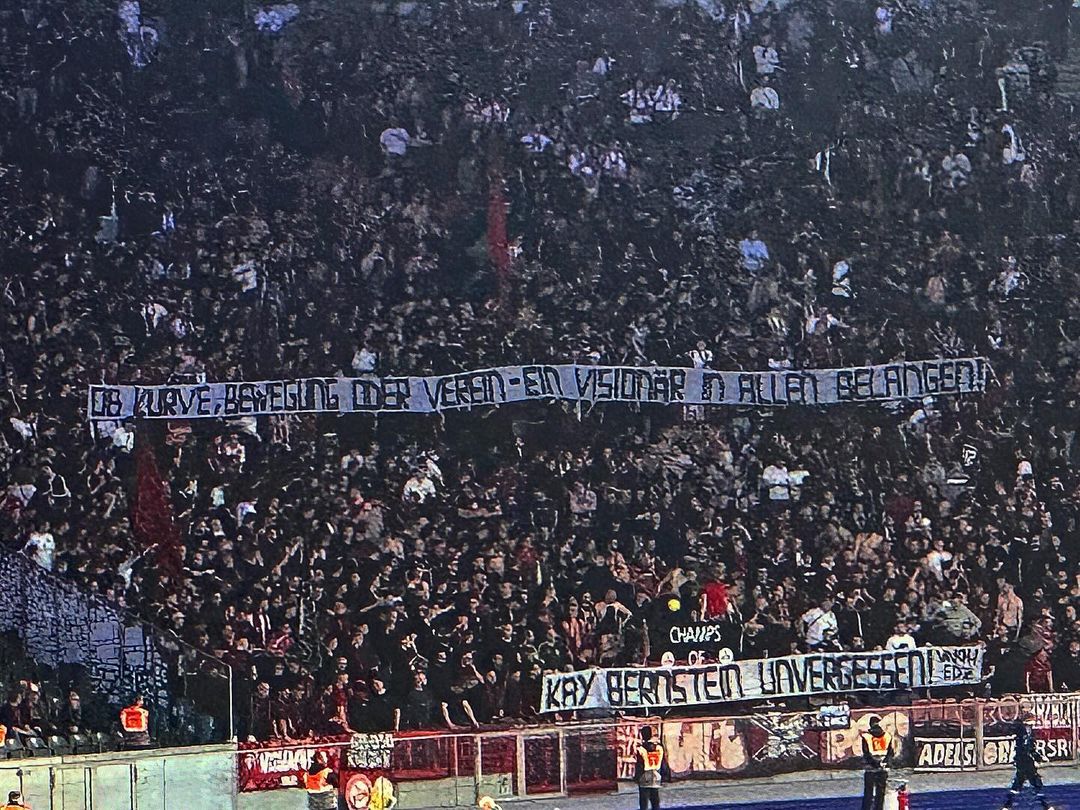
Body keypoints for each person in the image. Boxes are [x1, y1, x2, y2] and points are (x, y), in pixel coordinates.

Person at [1000, 711, 1054, 810]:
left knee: (1018, 784)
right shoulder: (1022, 731)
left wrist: (1038, 757)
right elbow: (1026, 748)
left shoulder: (1029, 732)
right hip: (1024, 761)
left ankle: (1007, 806)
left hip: (1024, 761)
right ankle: (1046, 806)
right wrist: (1035, 758)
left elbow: (1031, 748)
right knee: (1035, 783)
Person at [861, 715, 894, 810]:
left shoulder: (866, 737)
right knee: (881, 793)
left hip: (870, 769)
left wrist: (875, 764)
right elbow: (890, 753)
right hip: (883, 768)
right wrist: (885, 762)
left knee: (868, 793)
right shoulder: (887, 736)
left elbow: (866, 754)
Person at [634, 726, 670, 810]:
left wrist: (636, 777)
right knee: (655, 800)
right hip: (656, 774)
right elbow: (663, 762)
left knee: (644, 802)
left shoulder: (641, 749)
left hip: (645, 775)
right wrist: (665, 775)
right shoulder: (659, 748)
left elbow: (639, 764)